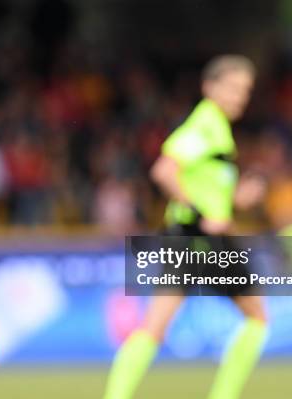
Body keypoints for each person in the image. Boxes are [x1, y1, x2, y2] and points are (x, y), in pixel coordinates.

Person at [103, 55, 266, 399]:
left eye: (245, 90)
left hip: (190, 236)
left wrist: (236, 199)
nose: (240, 96)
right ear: (209, 87)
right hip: (199, 238)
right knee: (257, 319)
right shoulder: (206, 124)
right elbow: (164, 170)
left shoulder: (217, 128)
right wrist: (202, 211)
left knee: (155, 328)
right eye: (233, 87)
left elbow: (204, 187)